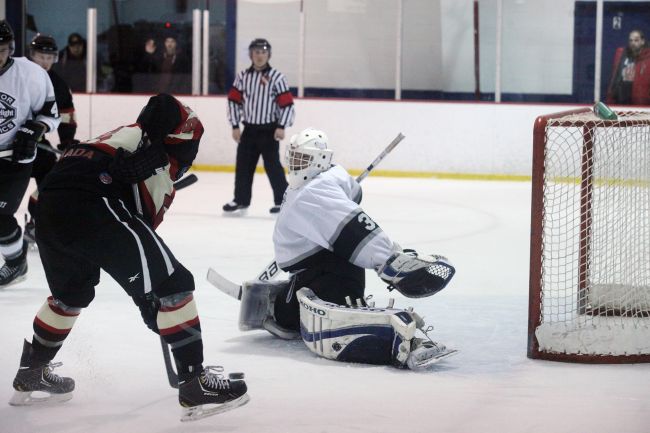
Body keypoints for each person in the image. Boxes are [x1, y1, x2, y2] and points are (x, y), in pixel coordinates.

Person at [8, 93, 249, 421]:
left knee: (70, 295)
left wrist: (147, 294)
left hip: (48, 208)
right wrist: (151, 300)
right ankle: (195, 384)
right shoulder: (158, 159)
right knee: (174, 282)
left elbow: (45, 196)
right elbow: (164, 104)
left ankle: (32, 371)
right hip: (93, 201)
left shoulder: (114, 136)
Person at [234, 127, 457, 370]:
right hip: (320, 270)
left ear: (320, 160)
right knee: (331, 304)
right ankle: (389, 336)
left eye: (303, 159)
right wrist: (389, 260)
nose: (296, 165)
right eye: (294, 158)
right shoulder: (324, 180)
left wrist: (388, 259)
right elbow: (353, 197)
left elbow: (352, 225)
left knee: (333, 295)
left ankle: (289, 311)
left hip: (323, 267)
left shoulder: (318, 185)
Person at [0, 20, 60, 287]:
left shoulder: (31, 74)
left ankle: (16, 264)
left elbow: (50, 115)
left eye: (1, 49)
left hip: (14, 160)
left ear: (10, 48)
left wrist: (35, 127)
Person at [224, 38, 294, 215]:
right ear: (250, 55)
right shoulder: (242, 77)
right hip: (249, 130)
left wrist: (282, 125)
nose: (260, 55)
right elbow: (233, 101)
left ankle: (283, 200)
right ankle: (240, 200)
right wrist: (235, 125)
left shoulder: (277, 77)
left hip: (269, 130)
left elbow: (287, 104)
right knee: (243, 166)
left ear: (268, 54)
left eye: (263, 52)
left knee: (273, 167)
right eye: (256, 52)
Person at [24, 34, 79, 245]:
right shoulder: (15, 75)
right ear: (31, 56)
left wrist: (66, 142)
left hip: (36, 144)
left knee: (52, 179)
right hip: (6, 145)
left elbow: (66, 116)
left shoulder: (58, 84)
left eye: (49, 57)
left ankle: (37, 221)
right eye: (40, 56)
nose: (45, 62)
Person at [606, 29, 650, 105]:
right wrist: (611, 97)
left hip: (642, 104)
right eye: (631, 40)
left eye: (636, 40)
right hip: (623, 101)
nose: (633, 43)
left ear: (642, 41)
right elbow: (615, 78)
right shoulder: (622, 55)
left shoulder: (647, 58)